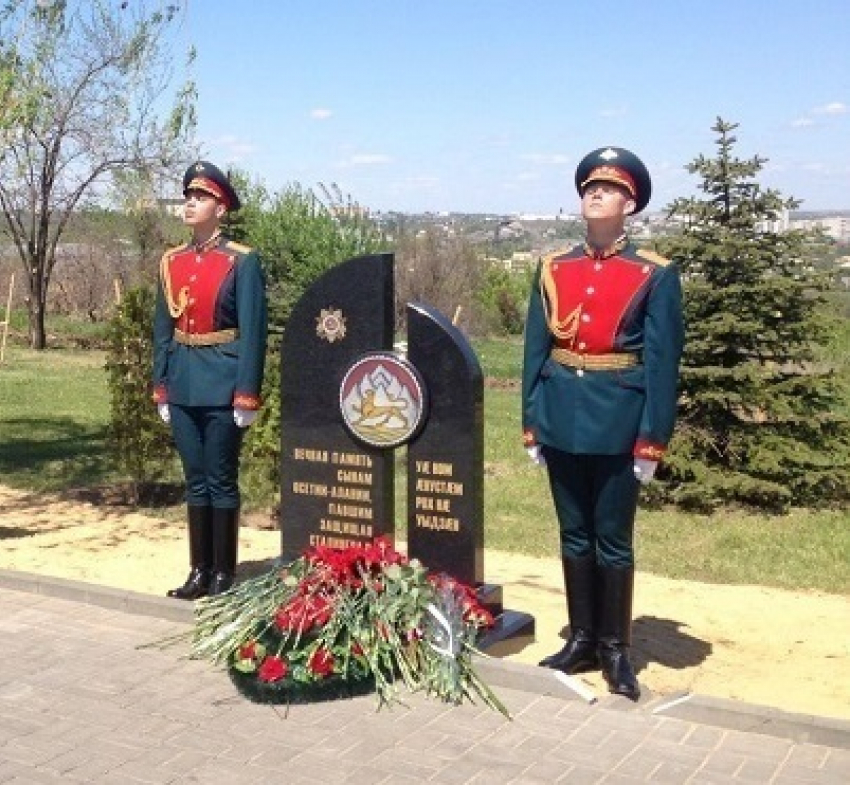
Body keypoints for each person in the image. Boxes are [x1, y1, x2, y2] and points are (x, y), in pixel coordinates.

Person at [521, 146, 684, 700]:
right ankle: (583, 639)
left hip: (619, 419)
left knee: (612, 539)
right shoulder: (553, 268)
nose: (596, 193)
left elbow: (663, 364)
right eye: (590, 186)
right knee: (572, 532)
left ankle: (616, 649)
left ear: (630, 204)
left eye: (609, 188)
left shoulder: (653, 274)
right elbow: (534, 351)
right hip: (561, 416)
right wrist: (531, 422)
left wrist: (651, 440)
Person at [153, 160, 268, 600]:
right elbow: (162, 327)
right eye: (188, 197)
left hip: (223, 382)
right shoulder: (171, 261)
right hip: (182, 381)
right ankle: (198, 570)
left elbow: (253, 331)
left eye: (199, 197)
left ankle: (223, 573)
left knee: (220, 478)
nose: (189, 204)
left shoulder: (241, 262)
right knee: (194, 479)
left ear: (221, 208)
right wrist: (161, 383)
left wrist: (247, 394)